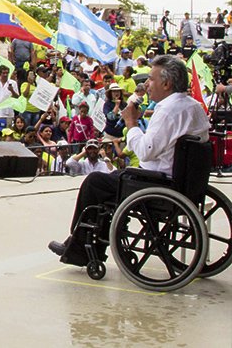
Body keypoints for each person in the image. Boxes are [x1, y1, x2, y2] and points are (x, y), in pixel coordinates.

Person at [48, 56, 211, 266]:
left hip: (158, 183)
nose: (145, 85)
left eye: (151, 79)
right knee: (111, 180)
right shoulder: (194, 106)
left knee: (95, 182)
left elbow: (145, 151)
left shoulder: (168, 110)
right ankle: (84, 244)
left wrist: (131, 123)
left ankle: (81, 249)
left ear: (166, 83)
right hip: (181, 182)